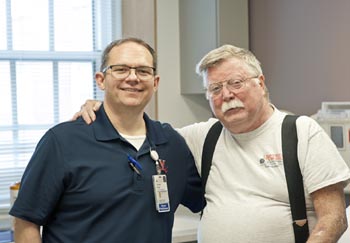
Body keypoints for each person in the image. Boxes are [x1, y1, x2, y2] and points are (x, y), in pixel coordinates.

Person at [74, 44, 350, 243]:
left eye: (236, 83)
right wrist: (108, 108)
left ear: (261, 83)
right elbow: (137, 135)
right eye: (215, 89)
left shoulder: (301, 132)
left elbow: (333, 219)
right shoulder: (202, 136)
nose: (227, 95)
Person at [9, 37, 203, 243]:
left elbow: (211, 200)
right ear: (101, 79)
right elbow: (25, 222)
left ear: (155, 83)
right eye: (120, 69)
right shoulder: (62, 141)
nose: (133, 77)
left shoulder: (172, 144)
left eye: (143, 71)